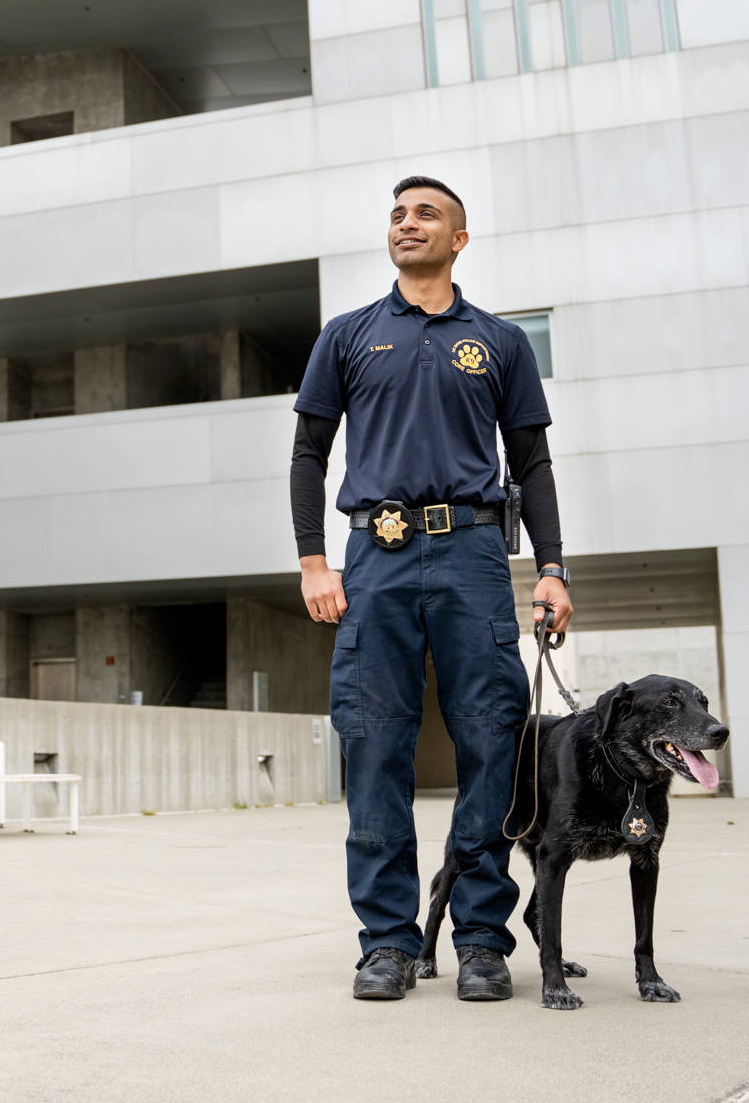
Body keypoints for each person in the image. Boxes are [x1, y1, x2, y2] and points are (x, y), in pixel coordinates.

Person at [290, 176, 572, 1002]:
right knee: (375, 743)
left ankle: (483, 940)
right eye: (398, 214)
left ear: (460, 239)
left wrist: (551, 565)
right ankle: (387, 941)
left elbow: (533, 463)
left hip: (474, 557)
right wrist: (314, 559)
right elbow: (310, 453)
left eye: (427, 214)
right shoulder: (347, 336)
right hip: (373, 559)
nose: (407, 223)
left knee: (492, 740)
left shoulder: (500, 342)